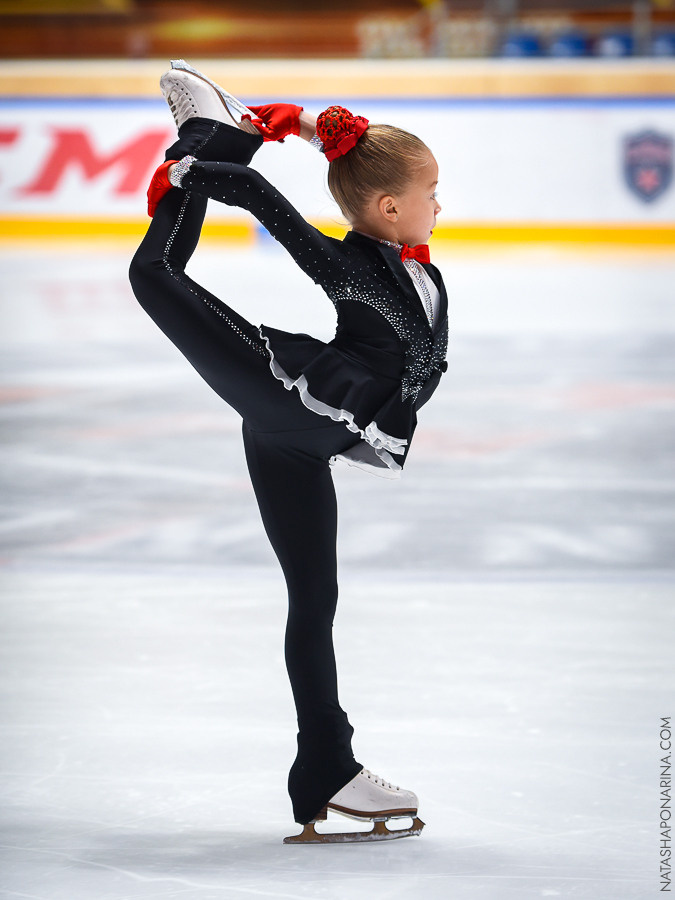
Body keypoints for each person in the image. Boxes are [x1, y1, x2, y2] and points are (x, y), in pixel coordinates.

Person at [129, 60, 447, 844]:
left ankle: (323, 770)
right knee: (152, 271)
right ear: (387, 206)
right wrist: (200, 162)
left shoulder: (400, 261)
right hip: (300, 398)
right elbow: (270, 209)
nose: (439, 203)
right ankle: (207, 125)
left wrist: (303, 125)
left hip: (303, 431)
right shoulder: (357, 268)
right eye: (430, 192)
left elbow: (340, 166)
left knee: (313, 599)